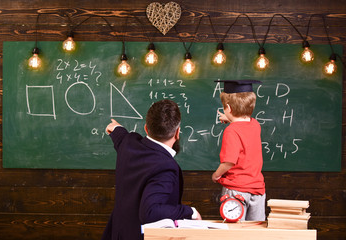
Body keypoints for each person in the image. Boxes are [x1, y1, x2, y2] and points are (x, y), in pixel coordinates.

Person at [102, 99, 201, 240]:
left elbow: (121, 137)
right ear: (177, 132)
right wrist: (191, 212)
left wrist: (116, 128)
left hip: (118, 234)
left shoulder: (129, 143)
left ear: (146, 128)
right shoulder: (165, 167)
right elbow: (150, 211)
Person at [212, 80, 266, 221]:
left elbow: (229, 162)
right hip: (258, 191)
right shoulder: (255, 125)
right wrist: (230, 118)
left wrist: (216, 175)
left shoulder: (231, 131)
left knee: (234, 232)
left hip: (236, 190)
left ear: (228, 108)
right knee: (255, 231)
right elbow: (243, 124)